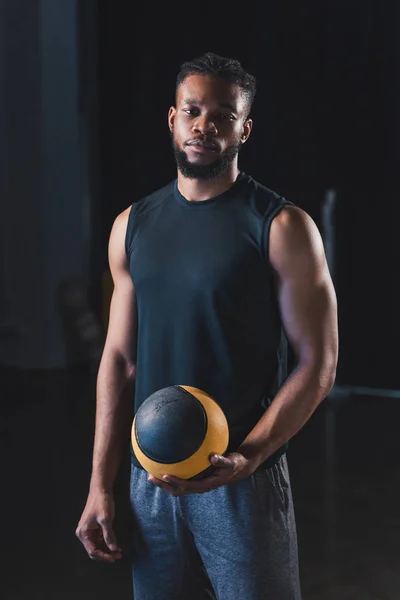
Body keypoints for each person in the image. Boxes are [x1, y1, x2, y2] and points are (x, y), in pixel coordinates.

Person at [76, 52, 338, 600]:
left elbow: (318, 361)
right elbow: (120, 360)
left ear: (245, 128)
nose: (205, 124)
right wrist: (101, 483)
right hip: (151, 480)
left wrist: (251, 455)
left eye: (223, 114)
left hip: (241, 475)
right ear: (172, 118)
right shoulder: (132, 226)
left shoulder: (282, 226)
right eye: (193, 110)